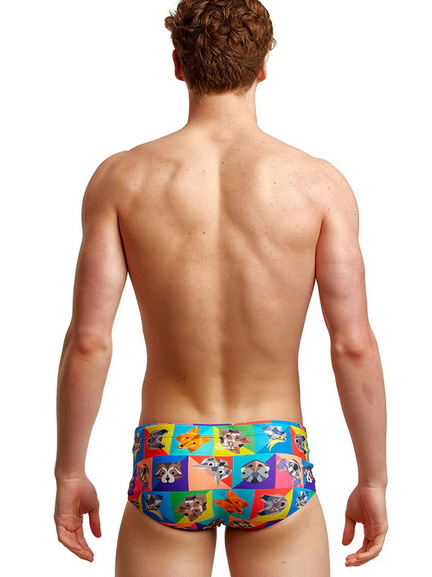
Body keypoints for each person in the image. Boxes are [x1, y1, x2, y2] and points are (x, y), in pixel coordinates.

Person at [53, 1, 388, 575]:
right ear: (263, 68)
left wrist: (69, 473)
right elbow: (352, 345)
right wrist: (373, 479)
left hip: (169, 455)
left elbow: (89, 342)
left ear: (178, 64)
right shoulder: (319, 186)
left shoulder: (122, 179)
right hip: (274, 455)